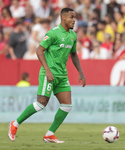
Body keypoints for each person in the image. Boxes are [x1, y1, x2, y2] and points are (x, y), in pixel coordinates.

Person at [8, 7, 86, 143]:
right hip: (48, 74)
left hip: (62, 76)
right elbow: (39, 50)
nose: (74, 20)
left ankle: (49, 134)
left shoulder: (73, 35)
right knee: (41, 104)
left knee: (67, 106)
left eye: (75, 18)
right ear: (63, 18)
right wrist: (47, 70)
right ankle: (15, 124)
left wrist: (80, 72)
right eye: (72, 17)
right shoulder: (53, 33)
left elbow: (74, 54)